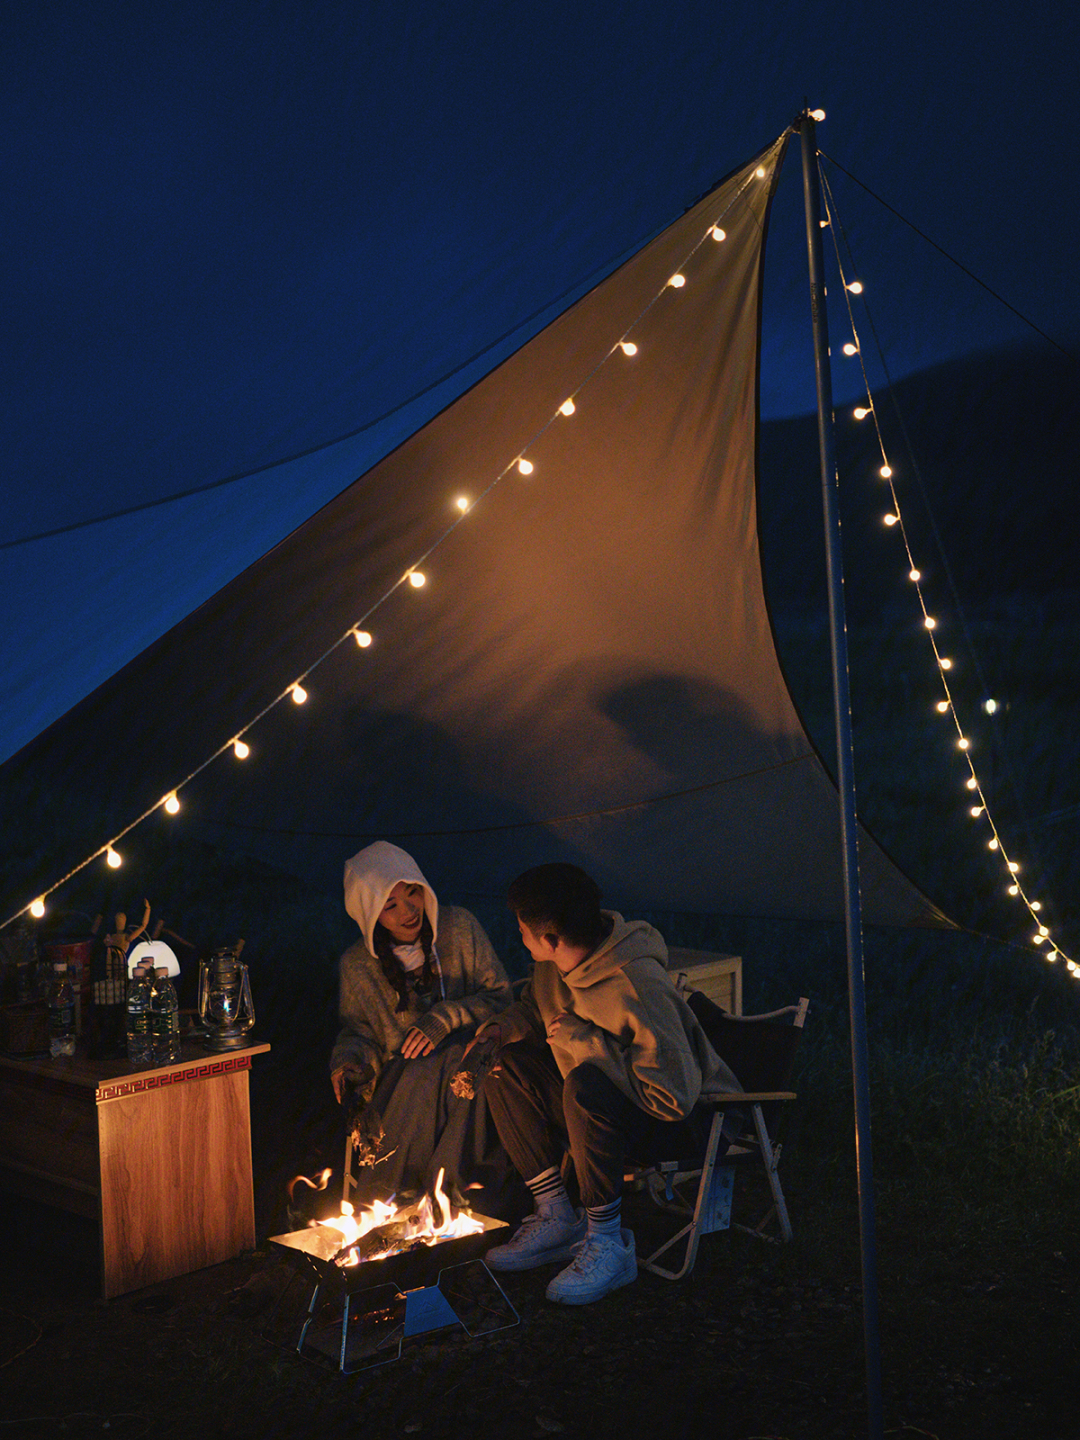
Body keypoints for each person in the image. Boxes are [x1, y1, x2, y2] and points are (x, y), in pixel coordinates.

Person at [473, 862, 739, 1305]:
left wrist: (589, 1044)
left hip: (686, 1122)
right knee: (505, 1065)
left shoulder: (637, 985)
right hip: (604, 1109)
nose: (519, 936)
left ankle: (608, 1243)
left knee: (585, 1085)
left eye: (522, 929)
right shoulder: (552, 967)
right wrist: (499, 1030)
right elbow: (533, 1010)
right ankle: (558, 1216)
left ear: (552, 939)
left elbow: (674, 1096)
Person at [330, 840, 518, 1211]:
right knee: (425, 1067)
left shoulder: (459, 928)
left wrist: (445, 1019)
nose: (409, 910)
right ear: (371, 914)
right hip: (404, 1084)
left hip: (474, 1065)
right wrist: (349, 1059)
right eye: (390, 904)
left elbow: (501, 1000)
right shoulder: (357, 965)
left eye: (413, 893)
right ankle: (427, 1202)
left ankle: (444, 1198)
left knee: (455, 1059)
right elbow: (359, 1032)